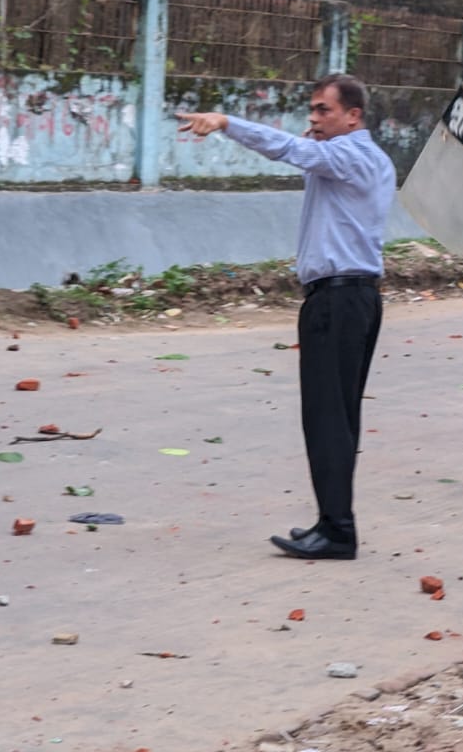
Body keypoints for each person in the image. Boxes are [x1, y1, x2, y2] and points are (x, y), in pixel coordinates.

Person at [176, 74, 396, 560]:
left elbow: (288, 150)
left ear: (353, 116)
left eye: (323, 111)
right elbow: (297, 148)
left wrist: (227, 122)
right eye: (313, 111)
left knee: (327, 417)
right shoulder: (351, 160)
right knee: (336, 417)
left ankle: (338, 529)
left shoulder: (350, 156)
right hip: (346, 298)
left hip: (339, 300)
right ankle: (332, 520)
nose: (313, 120)